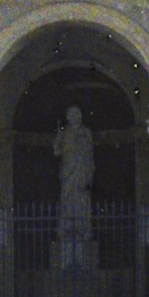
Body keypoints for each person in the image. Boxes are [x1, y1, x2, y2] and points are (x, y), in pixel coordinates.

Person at [51, 105, 95, 270]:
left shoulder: (86, 132)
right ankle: (67, 226)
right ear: (68, 117)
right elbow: (56, 152)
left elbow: (90, 152)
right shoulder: (64, 132)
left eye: (77, 113)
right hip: (68, 171)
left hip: (82, 170)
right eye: (71, 114)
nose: (74, 116)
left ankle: (83, 227)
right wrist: (57, 139)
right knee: (67, 198)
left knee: (82, 197)